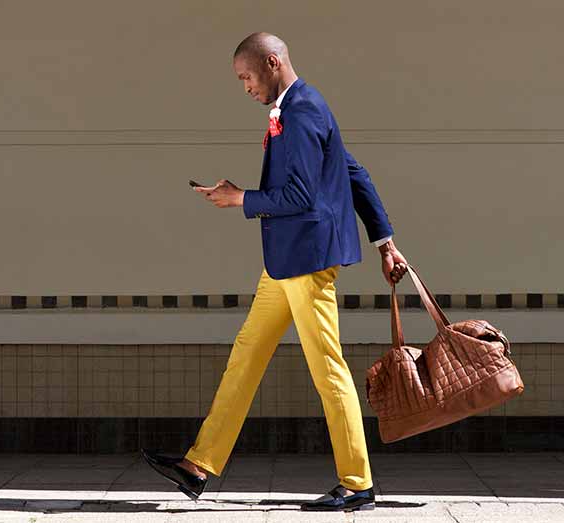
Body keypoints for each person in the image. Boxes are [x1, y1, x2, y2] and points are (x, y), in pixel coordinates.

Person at [142, 31, 408, 512]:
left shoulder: (303, 110)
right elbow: (352, 172)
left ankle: (358, 483)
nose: (244, 86)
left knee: (328, 369)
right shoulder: (302, 106)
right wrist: (385, 241)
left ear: (272, 62)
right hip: (285, 263)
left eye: (246, 76)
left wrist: (239, 198)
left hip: (307, 262)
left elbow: (302, 196)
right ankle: (198, 465)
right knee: (246, 355)